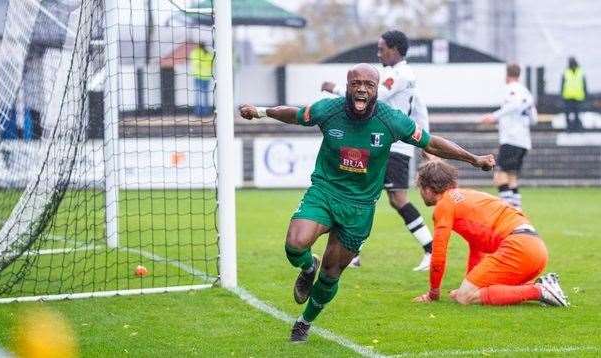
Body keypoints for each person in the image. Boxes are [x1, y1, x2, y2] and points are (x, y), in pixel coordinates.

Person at [239, 63, 495, 342]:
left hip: (360, 207)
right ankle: (306, 266)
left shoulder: (392, 120)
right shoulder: (329, 109)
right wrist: (261, 111)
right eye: (356, 83)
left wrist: (474, 159)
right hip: (325, 192)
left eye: (369, 85)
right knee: (294, 245)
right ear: (348, 86)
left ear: (375, 90)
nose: (362, 88)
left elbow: (431, 143)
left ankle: (304, 322)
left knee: (331, 273)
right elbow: (296, 115)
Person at [321, 30, 434, 271]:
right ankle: (353, 253)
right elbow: (420, 109)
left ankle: (431, 249)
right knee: (364, 193)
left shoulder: (401, 75)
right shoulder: (395, 74)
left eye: (382, 48)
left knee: (395, 198)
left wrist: (336, 89)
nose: (378, 52)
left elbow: (377, 96)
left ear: (394, 49)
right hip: (380, 144)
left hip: (393, 146)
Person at [412, 160, 569, 307]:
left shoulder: (444, 205)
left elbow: (439, 254)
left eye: (420, 188)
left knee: (464, 297)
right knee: (470, 291)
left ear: (427, 189)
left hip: (518, 248)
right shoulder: (467, 195)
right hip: (535, 250)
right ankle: (541, 286)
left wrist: (433, 292)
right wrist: (469, 282)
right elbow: (477, 246)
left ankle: (539, 290)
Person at [481, 64, 537, 210]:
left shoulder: (512, 90)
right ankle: (517, 213)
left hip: (512, 139)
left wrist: (494, 116)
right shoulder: (526, 92)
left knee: (499, 177)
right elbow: (534, 118)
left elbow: (513, 105)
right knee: (511, 179)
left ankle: (509, 214)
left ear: (507, 75)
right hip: (523, 141)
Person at [561, 57, 588, 131]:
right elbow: (562, 84)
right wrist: (562, 96)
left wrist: (585, 95)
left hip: (578, 96)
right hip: (568, 96)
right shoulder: (566, 72)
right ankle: (569, 128)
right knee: (568, 114)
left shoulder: (580, 72)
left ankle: (578, 128)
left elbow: (584, 84)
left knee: (577, 114)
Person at [189, 41, 213, 117]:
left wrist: (201, 63)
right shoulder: (209, 53)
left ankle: (198, 112)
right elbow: (212, 63)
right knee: (205, 94)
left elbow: (195, 63)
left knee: (198, 94)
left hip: (198, 76)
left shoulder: (195, 52)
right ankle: (206, 112)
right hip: (207, 76)